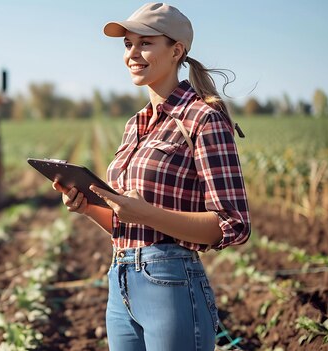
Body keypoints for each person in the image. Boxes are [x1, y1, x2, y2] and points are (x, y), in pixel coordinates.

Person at [52, 3, 250, 350]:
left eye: (145, 43)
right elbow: (130, 225)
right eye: (128, 44)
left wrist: (143, 212)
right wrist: (88, 208)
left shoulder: (203, 118)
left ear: (176, 51)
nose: (133, 53)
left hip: (171, 282)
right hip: (120, 280)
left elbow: (232, 224)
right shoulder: (135, 124)